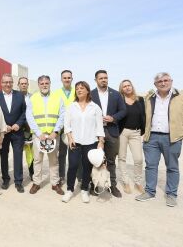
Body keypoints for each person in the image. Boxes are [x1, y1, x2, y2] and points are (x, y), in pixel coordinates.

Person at [135, 72, 183, 207]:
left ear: (171, 81)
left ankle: (172, 194)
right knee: (150, 166)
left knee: (172, 167)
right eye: (160, 81)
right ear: (155, 84)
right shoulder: (150, 97)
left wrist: (181, 134)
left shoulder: (182, 96)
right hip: (152, 138)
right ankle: (150, 192)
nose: (163, 83)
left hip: (172, 138)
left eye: (166, 80)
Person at [62, 81, 105, 203]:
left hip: (91, 142)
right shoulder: (71, 106)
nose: (79, 90)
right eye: (77, 88)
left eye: (82, 88)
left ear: (87, 91)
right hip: (75, 142)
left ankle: (84, 189)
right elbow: (67, 125)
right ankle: (69, 190)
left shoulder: (95, 107)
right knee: (73, 166)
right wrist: (70, 138)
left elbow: (99, 126)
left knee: (87, 167)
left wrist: (100, 142)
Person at [26, 75, 65, 195]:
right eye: (42, 83)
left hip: (53, 135)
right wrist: (38, 133)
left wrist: (56, 131)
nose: (44, 85)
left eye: (46, 83)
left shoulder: (58, 97)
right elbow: (29, 117)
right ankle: (36, 183)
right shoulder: (32, 98)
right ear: (38, 85)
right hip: (38, 136)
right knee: (37, 160)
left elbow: (62, 115)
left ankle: (55, 183)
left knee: (54, 161)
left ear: (50, 84)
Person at [91, 70, 127, 198]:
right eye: (101, 78)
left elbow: (123, 111)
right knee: (94, 160)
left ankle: (112, 185)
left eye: (105, 78)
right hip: (94, 133)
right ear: (96, 80)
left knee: (111, 161)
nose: (104, 80)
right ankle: (93, 185)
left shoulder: (116, 94)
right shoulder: (90, 94)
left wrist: (113, 118)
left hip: (111, 131)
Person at [0, 74, 27, 193]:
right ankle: (6, 179)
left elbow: (24, 112)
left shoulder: (19, 95)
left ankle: (18, 182)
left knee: (18, 157)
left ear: (13, 83)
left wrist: (19, 123)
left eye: (10, 82)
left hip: (17, 132)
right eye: (5, 82)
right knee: (3, 157)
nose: (8, 84)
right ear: (1, 83)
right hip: (3, 132)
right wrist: (4, 126)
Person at [118, 79, 146, 194]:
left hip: (136, 132)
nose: (127, 87)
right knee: (122, 157)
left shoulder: (140, 99)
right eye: (124, 86)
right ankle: (125, 181)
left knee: (139, 159)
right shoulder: (119, 100)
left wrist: (142, 131)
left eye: (128, 85)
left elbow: (144, 115)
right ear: (121, 89)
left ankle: (138, 182)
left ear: (132, 86)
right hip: (123, 132)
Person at [52, 70, 76, 185]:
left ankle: (76, 176)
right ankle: (61, 176)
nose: (67, 79)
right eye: (64, 78)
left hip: (74, 128)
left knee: (75, 153)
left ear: (72, 79)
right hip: (61, 128)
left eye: (69, 77)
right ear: (61, 79)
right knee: (61, 154)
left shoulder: (77, 92)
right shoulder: (56, 93)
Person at [17, 77, 34, 180]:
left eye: (25, 83)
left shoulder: (33, 97)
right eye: (21, 83)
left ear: (28, 85)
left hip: (29, 129)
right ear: (18, 85)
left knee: (30, 152)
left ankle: (32, 173)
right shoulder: (15, 96)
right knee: (18, 153)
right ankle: (19, 176)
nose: (23, 85)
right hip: (18, 128)